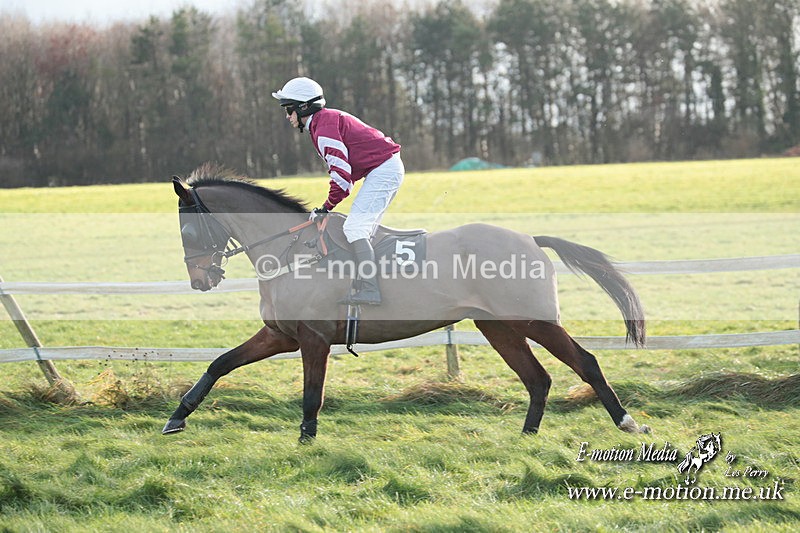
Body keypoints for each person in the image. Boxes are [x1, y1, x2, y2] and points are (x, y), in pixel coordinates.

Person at [272, 77, 404, 305]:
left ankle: (371, 291)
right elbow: (344, 176)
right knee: (362, 230)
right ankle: (372, 283)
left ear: (303, 107)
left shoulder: (323, 128)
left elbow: (342, 177)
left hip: (383, 170)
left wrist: (325, 207)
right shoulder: (322, 122)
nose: (287, 116)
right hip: (383, 167)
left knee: (354, 228)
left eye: (289, 109)